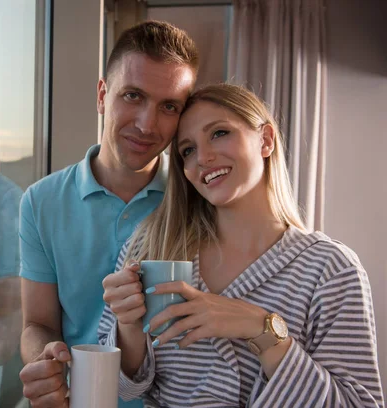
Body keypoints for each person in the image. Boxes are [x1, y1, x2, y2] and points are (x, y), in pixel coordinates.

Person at [99, 84, 385, 407]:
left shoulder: (332, 269)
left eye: (219, 133)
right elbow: (122, 389)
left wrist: (261, 329)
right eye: (187, 151)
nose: (203, 158)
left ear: (265, 140)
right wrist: (128, 326)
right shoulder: (151, 249)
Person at [18, 21, 199, 408]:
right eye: (132, 96)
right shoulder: (40, 202)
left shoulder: (199, 199)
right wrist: (43, 359)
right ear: (102, 95)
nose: (147, 124)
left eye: (169, 106)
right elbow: (38, 324)